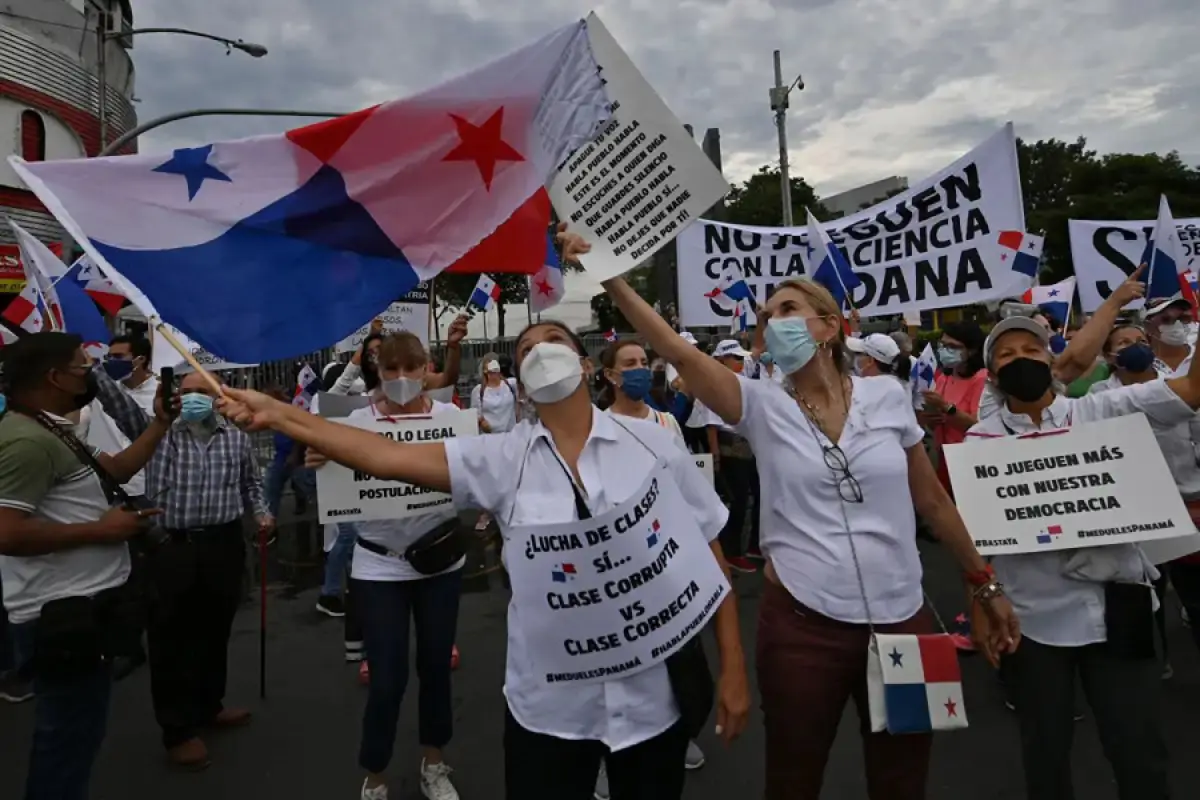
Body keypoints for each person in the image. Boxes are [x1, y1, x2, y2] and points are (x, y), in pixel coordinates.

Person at [217, 315, 751, 800]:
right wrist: (281, 415)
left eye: (555, 341)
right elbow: (385, 455)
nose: (541, 350)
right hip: (548, 713)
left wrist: (732, 668)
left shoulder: (655, 443)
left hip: (652, 706)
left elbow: (708, 554)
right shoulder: (500, 459)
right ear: (519, 375)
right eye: (527, 349)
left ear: (586, 364)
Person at [603, 271, 1019, 800]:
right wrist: (613, 281)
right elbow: (674, 350)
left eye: (787, 309)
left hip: (903, 623)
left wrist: (984, 582)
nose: (773, 322)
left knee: (903, 778)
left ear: (828, 326)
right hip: (802, 630)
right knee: (794, 779)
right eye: (767, 316)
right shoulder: (760, 404)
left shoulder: (887, 396)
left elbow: (933, 502)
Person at [965, 307, 1200, 800]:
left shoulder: (1100, 410)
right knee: (1045, 751)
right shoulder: (979, 441)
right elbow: (976, 539)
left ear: (1052, 361)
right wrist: (981, 605)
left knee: (1138, 749)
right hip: (1032, 620)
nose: (1020, 359)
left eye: (1031, 349)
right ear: (992, 372)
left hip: (1120, 604)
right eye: (1006, 354)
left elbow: (1192, 391)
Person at [0, 332, 169, 800]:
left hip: (87, 608)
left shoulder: (52, 428)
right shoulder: (25, 441)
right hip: (60, 614)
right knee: (66, 741)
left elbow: (113, 469)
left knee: (78, 734)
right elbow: (5, 533)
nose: (92, 373)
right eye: (82, 367)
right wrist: (103, 531)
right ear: (54, 377)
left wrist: (158, 424)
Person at [310, 332, 464, 800]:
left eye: (410, 369)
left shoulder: (452, 419)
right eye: (391, 369)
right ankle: (374, 774)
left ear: (426, 370)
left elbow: (478, 470)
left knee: (436, 667)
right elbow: (323, 457)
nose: (401, 379)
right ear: (378, 370)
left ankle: (434, 763)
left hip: (440, 563)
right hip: (379, 566)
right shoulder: (355, 422)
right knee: (387, 678)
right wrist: (319, 458)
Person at [94, 366, 272, 770]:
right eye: (184, 391)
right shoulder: (156, 430)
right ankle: (177, 730)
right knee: (170, 638)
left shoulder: (235, 440)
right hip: (173, 547)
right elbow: (116, 400)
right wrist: (89, 358)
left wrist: (262, 514)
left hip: (223, 544)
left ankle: (209, 705)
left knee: (215, 628)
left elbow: (251, 485)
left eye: (200, 392)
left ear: (215, 397)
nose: (192, 399)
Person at [697, 340, 760, 574]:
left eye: (741, 358)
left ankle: (751, 545)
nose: (740, 362)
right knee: (738, 499)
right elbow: (711, 425)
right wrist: (715, 456)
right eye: (736, 358)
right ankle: (731, 551)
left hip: (745, 444)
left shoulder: (737, 381)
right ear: (722, 359)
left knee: (754, 495)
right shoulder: (714, 384)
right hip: (727, 445)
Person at [599, 340, 681, 435]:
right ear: (610, 374)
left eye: (644, 363)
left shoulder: (667, 422)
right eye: (630, 363)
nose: (640, 368)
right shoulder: (601, 426)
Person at [106, 335, 158, 414]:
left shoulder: (159, 394)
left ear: (140, 359)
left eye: (118, 356)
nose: (111, 361)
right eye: (109, 357)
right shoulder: (108, 391)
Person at [1144, 294, 1194, 375]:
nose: (1178, 324)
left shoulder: (1197, 355)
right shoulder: (1142, 364)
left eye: (1183, 318)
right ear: (1148, 326)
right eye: (1167, 319)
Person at [470, 354, 519, 435]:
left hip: (510, 435)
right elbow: (475, 414)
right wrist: (481, 422)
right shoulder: (478, 391)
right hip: (489, 437)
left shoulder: (511, 384)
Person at [846, 334, 911, 382]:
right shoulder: (893, 385)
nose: (855, 357)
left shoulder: (865, 391)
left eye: (858, 353)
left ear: (870, 361)